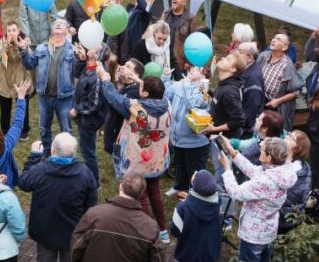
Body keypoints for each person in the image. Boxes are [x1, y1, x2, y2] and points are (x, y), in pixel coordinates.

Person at [20, 133, 98, 262]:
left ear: (53, 150)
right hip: (72, 235)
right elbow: (92, 205)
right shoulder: (84, 173)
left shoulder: (41, 169)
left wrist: (34, 157)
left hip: (45, 233)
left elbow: (24, 182)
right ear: (74, 153)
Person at [99, 68, 173, 241]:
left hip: (137, 160)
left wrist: (104, 78)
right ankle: (162, 230)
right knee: (155, 192)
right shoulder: (166, 104)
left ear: (144, 93)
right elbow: (155, 93)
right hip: (157, 160)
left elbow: (113, 98)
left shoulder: (135, 108)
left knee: (142, 196)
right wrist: (139, 80)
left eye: (142, 88)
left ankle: (147, 231)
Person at [217, 136, 300, 262]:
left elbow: (236, 193)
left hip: (253, 235)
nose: (259, 150)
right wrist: (232, 151)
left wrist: (226, 168)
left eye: (262, 150)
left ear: (268, 157)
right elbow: (253, 170)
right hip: (267, 230)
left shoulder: (265, 181)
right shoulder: (280, 172)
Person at [166, 169, 222, 262]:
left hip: (187, 257)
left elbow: (175, 231)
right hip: (209, 256)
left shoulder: (183, 207)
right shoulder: (217, 204)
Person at [21, 18, 76, 153]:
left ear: (67, 30)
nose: (58, 24)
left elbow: (78, 72)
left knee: (66, 129)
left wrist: (83, 59)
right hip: (44, 97)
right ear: (51, 29)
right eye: (55, 23)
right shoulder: (41, 48)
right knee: (44, 128)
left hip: (65, 98)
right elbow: (29, 64)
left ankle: (67, 155)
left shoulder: (72, 50)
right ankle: (47, 154)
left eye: (62, 23)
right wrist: (23, 50)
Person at [164, 66, 211, 195]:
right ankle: (179, 186)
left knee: (194, 168)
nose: (192, 69)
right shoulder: (180, 84)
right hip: (178, 137)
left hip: (194, 141)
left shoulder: (204, 90)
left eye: (198, 69)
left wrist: (189, 86)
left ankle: (194, 192)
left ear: (204, 75)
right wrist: (166, 78)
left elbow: (193, 105)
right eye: (192, 68)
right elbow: (166, 94)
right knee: (180, 163)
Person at [102, 58, 144, 181]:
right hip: (116, 137)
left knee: (125, 176)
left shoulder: (135, 92)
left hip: (124, 141)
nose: (123, 67)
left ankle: (126, 192)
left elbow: (117, 104)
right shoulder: (125, 87)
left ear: (136, 76)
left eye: (128, 67)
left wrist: (106, 81)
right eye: (124, 64)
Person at [71, 44, 107, 185]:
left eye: (92, 49)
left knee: (88, 153)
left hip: (89, 119)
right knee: (86, 149)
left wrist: (77, 110)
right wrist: (81, 60)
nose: (88, 49)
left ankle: (93, 182)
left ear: (97, 55)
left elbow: (94, 104)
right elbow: (76, 74)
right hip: (83, 117)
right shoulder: (89, 67)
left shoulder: (97, 74)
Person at [0, 22, 33, 140]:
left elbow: (29, 59)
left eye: (13, 30)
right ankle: (5, 129)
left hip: (20, 78)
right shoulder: (2, 42)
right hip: (5, 80)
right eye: (9, 31)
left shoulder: (25, 41)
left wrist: (18, 46)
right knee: (5, 107)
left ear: (18, 31)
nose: (11, 33)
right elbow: (1, 59)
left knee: (22, 106)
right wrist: (6, 47)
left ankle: (24, 130)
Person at [258, 33, 304, 131]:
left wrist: (278, 101)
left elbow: (297, 91)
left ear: (284, 47)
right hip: (260, 100)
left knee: (270, 133)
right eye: (274, 37)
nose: (273, 40)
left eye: (278, 39)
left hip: (274, 106)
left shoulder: (287, 66)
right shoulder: (263, 56)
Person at [202, 52, 246, 140]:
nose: (222, 58)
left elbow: (239, 121)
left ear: (233, 69)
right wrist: (207, 91)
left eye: (228, 59)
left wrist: (214, 129)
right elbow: (219, 99)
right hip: (216, 136)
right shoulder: (224, 84)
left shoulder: (229, 91)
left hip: (224, 141)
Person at [278, 130, 312, 231]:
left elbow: (288, 202)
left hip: (283, 221)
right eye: (289, 134)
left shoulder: (294, 171)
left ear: (297, 148)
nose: (287, 136)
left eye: (291, 137)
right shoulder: (294, 164)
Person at [164, 0, 194, 79]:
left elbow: (192, 41)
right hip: (164, 58)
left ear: (184, 2)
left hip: (179, 61)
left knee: (179, 85)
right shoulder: (166, 14)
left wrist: (189, 61)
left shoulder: (190, 18)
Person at [236, 42, 264, 138]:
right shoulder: (245, 69)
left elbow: (251, 108)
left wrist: (242, 128)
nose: (236, 54)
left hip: (245, 131)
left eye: (240, 52)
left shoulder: (253, 78)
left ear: (250, 58)